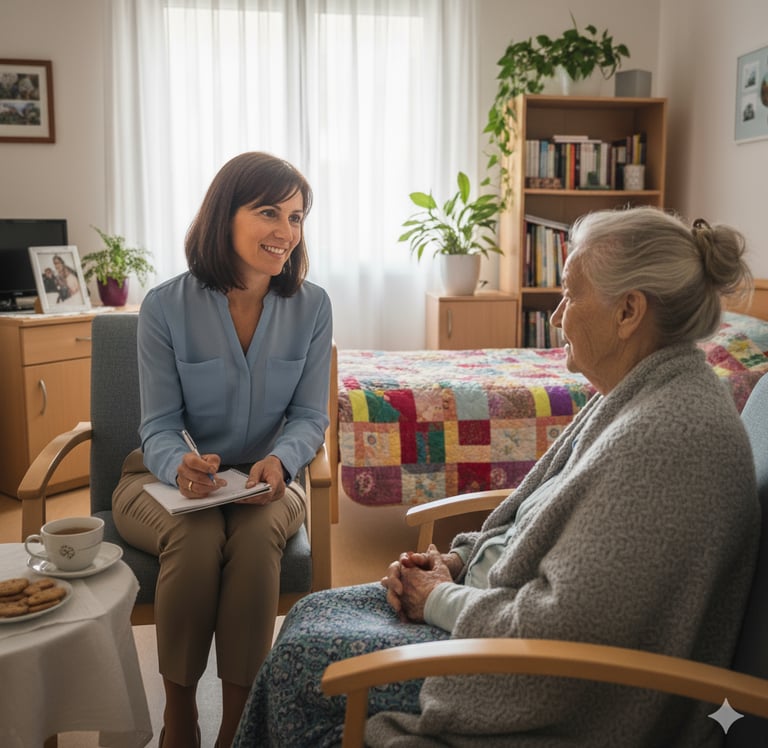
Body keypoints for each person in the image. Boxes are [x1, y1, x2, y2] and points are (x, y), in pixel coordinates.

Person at [234, 206, 760, 747]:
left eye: (571, 294)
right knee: (312, 612)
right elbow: (547, 517)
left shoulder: (669, 439)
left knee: (303, 661)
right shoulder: (637, 393)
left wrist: (437, 597)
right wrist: (458, 561)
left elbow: (563, 632)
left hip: (532, 684)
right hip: (492, 612)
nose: (557, 316)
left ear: (628, 312)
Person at [112, 151, 332, 748]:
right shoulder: (164, 307)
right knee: (196, 533)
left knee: (257, 531)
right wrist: (177, 465)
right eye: (269, 212)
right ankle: (178, 717)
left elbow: (311, 415)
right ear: (223, 216)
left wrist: (282, 460)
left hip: (268, 480)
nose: (286, 232)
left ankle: (239, 726)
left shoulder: (312, 308)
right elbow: (157, 425)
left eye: (297, 216)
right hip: (160, 480)